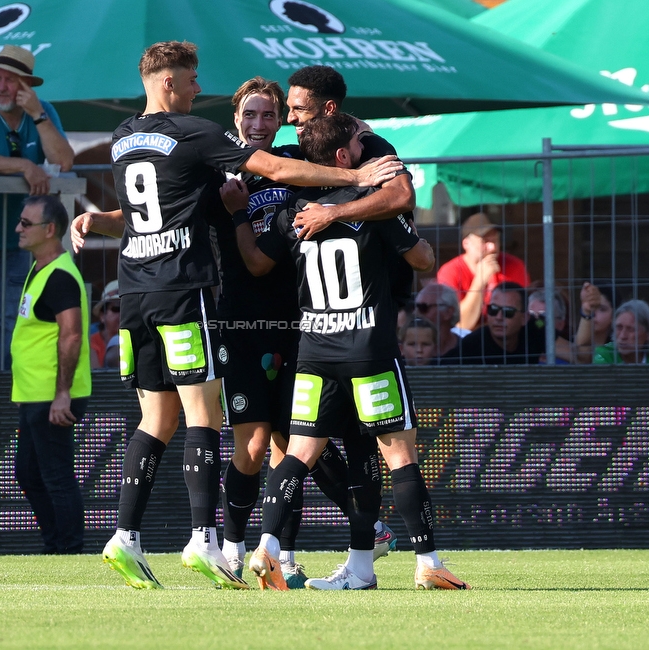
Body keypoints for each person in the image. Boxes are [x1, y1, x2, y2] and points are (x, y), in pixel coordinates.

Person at [70, 41, 401, 591]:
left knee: (232, 431)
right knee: (225, 427)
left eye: (274, 112)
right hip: (198, 300)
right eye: (195, 78)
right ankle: (211, 539)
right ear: (172, 83)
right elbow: (263, 176)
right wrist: (357, 179)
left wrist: (94, 222)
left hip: (157, 296)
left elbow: (142, 212)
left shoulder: (125, 136)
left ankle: (154, 537)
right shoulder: (202, 140)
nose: (201, 87)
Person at [233, 113, 468, 591]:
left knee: (296, 456)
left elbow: (257, 261)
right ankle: (429, 561)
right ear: (343, 157)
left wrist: (239, 213)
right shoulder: (370, 204)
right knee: (400, 457)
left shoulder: (293, 209)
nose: (369, 153)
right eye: (362, 145)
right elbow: (423, 260)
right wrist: (411, 236)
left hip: (314, 352)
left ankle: (268, 548)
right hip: (368, 350)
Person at [214, 76, 399, 588]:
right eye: (249, 115)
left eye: (270, 114)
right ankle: (232, 546)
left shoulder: (303, 161)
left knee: (292, 440)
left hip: (302, 322)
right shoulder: (219, 165)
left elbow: (379, 173)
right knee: (254, 443)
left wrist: (362, 165)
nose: (259, 123)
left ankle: (284, 554)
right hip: (242, 320)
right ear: (234, 120)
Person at [0, 45, 74, 371]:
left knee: (7, 325)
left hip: (20, 240)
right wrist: (23, 165)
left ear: (26, 88)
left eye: (10, 81)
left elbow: (63, 160)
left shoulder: (42, 111)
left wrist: (39, 116)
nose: (0, 86)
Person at [10, 195, 90, 555]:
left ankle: (68, 549)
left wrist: (63, 394)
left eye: (26, 223)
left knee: (55, 476)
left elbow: (71, 334)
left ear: (51, 230)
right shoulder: (41, 268)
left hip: (52, 394)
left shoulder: (59, 275)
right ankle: (56, 544)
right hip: (34, 392)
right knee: (28, 474)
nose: (18, 229)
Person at [436, 212, 530, 331]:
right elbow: (461, 325)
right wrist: (479, 281)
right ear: (466, 244)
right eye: (484, 242)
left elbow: (522, 317)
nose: (492, 248)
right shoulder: (449, 272)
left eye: (495, 241)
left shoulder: (515, 265)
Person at [457, 282, 573, 365]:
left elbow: (578, 355)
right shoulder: (473, 342)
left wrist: (586, 313)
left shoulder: (535, 328)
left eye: (508, 312)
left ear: (524, 318)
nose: (499, 317)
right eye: (493, 309)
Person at [593, 299, 649, 364]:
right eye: (619, 327)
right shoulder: (604, 354)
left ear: (648, 333)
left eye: (631, 329)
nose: (623, 336)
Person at [413, 282, 468, 362]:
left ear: (448, 312)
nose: (415, 313)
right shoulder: (407, 350)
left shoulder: (467, 349)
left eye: (423, 308)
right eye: (415, 307)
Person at [574, 281, 617, 363]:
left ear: (614, 316)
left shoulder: (617, 349)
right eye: (591, 307)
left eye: (602, 309)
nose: (593, 313)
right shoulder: (569, 342)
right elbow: (582, 354)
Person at [89, 279, 120, 369]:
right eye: (116, 308)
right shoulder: (91, 342)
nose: (123, 314)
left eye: (128, 308)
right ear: (102, 316)